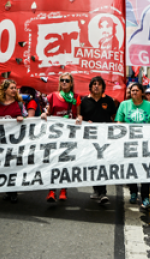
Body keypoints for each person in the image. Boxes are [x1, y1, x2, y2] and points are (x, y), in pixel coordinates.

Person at [40, 72, 82, 202]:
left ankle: (63, 189)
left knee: (65, 162)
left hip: (69, 135)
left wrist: (80, 118)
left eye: (67, 80)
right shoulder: (52, 96)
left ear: (71, 83)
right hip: (54, 135)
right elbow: (48, 112)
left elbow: (78, 115)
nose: (64, 82)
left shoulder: (76, 97)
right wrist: (44, 115)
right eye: (62, 80)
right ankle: (51, 190)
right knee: (53, 162)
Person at [115, 83, 150, 209]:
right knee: (131, 169)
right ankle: (133, 192)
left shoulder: (149, 106)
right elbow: (119, 122)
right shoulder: (124, 105)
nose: (134, 92)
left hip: (145, 145)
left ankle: (145, 197)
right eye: (132, 90)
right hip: (130, 144)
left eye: (136, 90)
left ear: (142, 93)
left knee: (145, 170)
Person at [0, 79, 27, 203]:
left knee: (12, 166)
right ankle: (7, 190)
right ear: (5, 91)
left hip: (14, 142)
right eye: (11, 88)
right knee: (3, 166)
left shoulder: (19, 104)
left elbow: (27, 118)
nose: (14, 90)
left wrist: (22, 118)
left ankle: (13, 191)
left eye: (15, 88)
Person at [81, 76, 117, 205]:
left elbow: (114, 117)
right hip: (90, 138)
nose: (96, 86)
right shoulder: (84, 101)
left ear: (103, 87)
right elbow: (80, 118)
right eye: (94, 84)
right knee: (93, 163)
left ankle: (103, 192)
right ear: (90, 86)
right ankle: (97, 190)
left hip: (105, 138)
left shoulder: (109, 100)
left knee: (102, 163)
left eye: (99, 84)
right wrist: (86, 122)